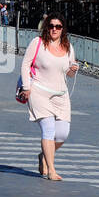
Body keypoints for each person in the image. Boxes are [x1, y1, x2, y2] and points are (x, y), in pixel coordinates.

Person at [20, 12, 78, 181]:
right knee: (48, 130)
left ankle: (44, 155)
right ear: (47, 27)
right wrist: (26, 87)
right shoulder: (37, 43)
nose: (54, 29)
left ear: (63, 29)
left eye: (58, 26)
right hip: (39, 92)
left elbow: (69, 74)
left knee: (62, 134)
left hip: (61, 96)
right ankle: (51, 170)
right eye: (51, 26)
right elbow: (25, 64)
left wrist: (73, 70)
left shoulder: (68, 47)